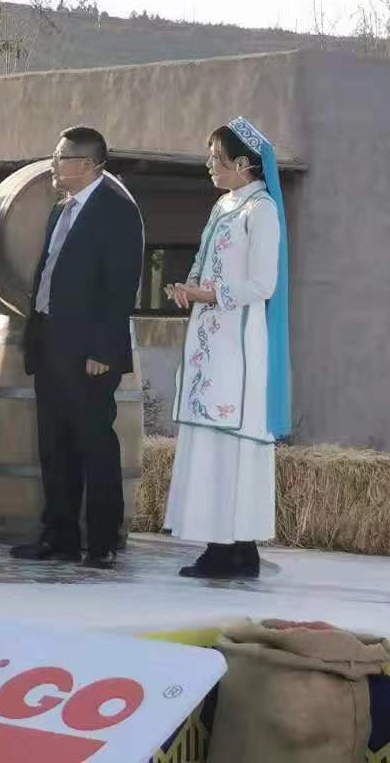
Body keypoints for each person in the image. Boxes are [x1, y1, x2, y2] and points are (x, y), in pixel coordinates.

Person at [164, 117, 291, 579]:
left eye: (216, 158)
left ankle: (234, 548)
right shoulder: (224, 206)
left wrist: (207, 293)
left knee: (233, 439)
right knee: (210, 439)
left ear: (242, 163)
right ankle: (226, 547)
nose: (209, 165)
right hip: (210, 342)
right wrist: (189, 288)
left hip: (239, 345)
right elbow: (204, 264)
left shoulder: (262, 210)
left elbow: (262, 283)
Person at [12, 126, 144, 570]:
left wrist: (103, 351)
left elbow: (119, 287)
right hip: (50, 341)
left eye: (60, 158)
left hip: (90, 352)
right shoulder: (60, 211)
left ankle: (103, 541)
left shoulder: (117, 212)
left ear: (87, 165)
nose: (53, 164)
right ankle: (60, 537)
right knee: (54, 444)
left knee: (94, 444)